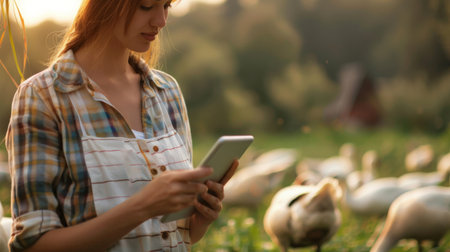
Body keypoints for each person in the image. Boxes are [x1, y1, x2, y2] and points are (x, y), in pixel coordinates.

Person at [6, 0, 238, 251]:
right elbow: (31, 246)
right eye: (146, 6)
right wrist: (143, 207)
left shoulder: (166, 91)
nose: (161, 21)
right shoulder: (43, 97)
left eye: (167, 5)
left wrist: (199, 219)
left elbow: (182, 235)